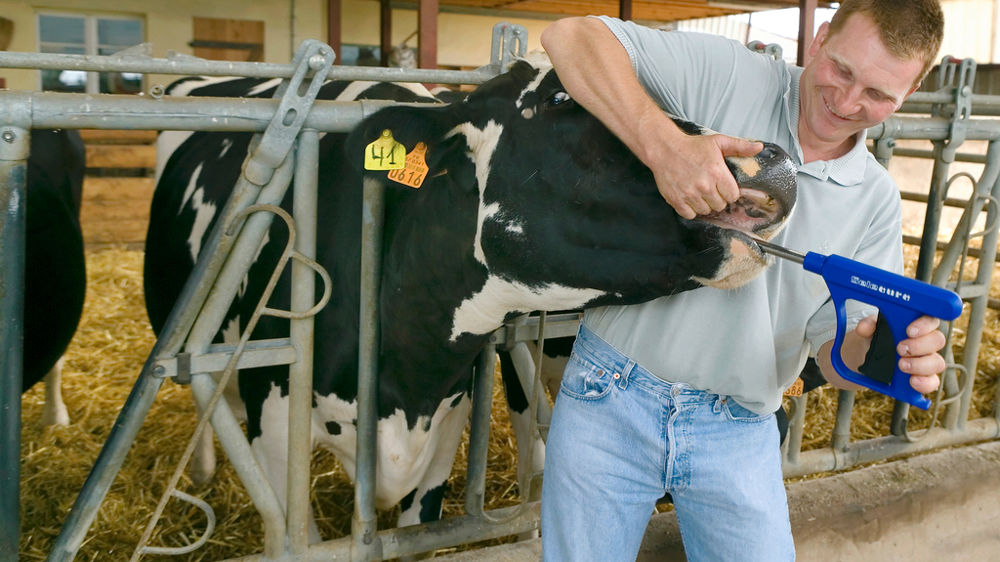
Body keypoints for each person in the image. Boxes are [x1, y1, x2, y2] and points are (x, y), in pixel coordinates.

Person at [538, 1, 946, 560]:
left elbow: (834, 352)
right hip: (612, 390)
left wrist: (883, 354)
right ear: (821, 39)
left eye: (878, 96)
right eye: (843, 71)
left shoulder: (874, 201)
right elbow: (570, 36)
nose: (847, 102)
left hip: (738, 424)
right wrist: (666, 148)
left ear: (909, 94)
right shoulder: (734, 74)